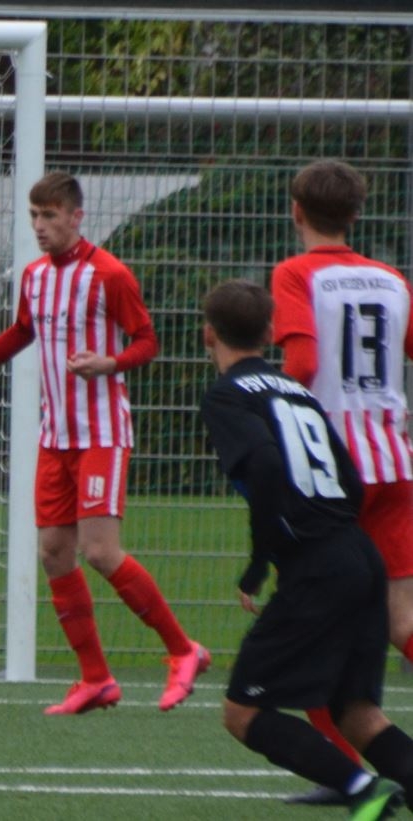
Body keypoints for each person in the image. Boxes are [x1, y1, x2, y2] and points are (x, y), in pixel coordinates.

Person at [0, 171, 207, 715]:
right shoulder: (34, 276)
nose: (39, 226)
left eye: (49, 216)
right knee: (54, 553)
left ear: (77, 217)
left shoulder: (109, 274)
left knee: (99, 551)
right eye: (34, 216)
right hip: (55, 437)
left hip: (101, 434)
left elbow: (147, 341)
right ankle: (95, 678)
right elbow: (21, 332)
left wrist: (109, 363)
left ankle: (182, 649)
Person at [200, 278, 413, 820]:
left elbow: (266, 464)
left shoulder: (226, 395)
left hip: (319, 566)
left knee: (243, 711)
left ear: (208, 335)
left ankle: (362, 789)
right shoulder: (297, 391)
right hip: (359, 553)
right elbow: (351, 479)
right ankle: (370, 786)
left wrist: (260, 562)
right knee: (355, 712)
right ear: (270, 331)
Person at [269, 160, 413, 806]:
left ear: (296, 210)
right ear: (356, 214)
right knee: (402, 618)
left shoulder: (295, 273)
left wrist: (269, 406)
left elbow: (301, 363)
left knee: (317, 616)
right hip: (392, 463)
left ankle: (344, 771)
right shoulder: (392, 279)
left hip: (330, 473)